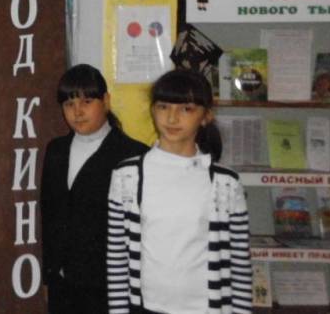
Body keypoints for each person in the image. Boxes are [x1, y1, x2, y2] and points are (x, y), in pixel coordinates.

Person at [106, 69, 251, 314]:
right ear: (153, 110)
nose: (172, 118)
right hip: (145, 309)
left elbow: (239, 265)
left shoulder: (225, 183)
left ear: (205, 116)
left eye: (186, 109)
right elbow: (117, 260)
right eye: (163, 107)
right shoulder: (127, 176)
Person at [40, 64, 149, 313]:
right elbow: (48, 215)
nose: (77, 112)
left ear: (106, 101)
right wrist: (48, 276)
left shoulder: (133, 154)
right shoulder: (56, 150)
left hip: (112, 287)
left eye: (87, 102)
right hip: (62, 284)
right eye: (69, 104)